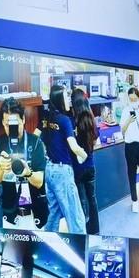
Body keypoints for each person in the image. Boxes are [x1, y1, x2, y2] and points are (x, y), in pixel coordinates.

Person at [0, 98, 47, 229]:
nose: (11, 129)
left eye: (15, 124)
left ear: (23, 120)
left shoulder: (35, 142)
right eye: (7, 124)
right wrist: (1, 167)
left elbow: (39, 181)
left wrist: (28, 173)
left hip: (34, 214)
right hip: (8, 214)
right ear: (3, 123)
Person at [39, 89, 86, 234]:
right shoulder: (65, 120)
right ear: (59, 98)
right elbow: (74, 146)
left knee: (54, 214)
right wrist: (83, 155)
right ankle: (81, 244)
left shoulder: (47, 118)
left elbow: (38, 139)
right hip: (62, 172)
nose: (69, 100)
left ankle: (47, 241)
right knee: (75, 215)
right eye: (66, 96)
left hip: (49, 170)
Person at [73, 107, 101, 234]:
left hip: (78, 169)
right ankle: (95, 229)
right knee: (92, 199)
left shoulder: (75, 130)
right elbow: (95, 142)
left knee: (82, 200)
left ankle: (84, 229)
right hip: (90, 167)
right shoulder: (92, 128)